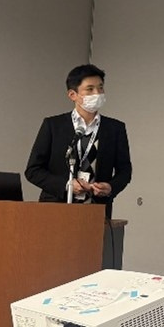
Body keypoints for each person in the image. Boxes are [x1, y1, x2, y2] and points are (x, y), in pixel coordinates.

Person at [25, 64, 132, 222]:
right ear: (72, 94)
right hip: (55, 210)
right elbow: (33, 170)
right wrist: (66, 185)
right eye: (90, 89)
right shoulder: (53, 126)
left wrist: (110, 187)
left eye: (100, 88)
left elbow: (125, 171)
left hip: (96, 211)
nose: (97, 93)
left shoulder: (115, 128)